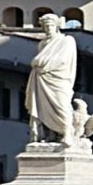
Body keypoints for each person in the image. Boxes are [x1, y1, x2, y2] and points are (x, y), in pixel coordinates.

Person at [26, 13, 78, 144]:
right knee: (43, 107)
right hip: (41, 79)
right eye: (46, 26)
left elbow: (63, 60)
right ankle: (51, 134)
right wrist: (39, 62)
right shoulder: (42, 44)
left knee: (61, 105)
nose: (48, 28)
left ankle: (67, 132)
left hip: (59, 79)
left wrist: (40, 61)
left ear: (57, 26)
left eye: (51, 25)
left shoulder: (66, 40)